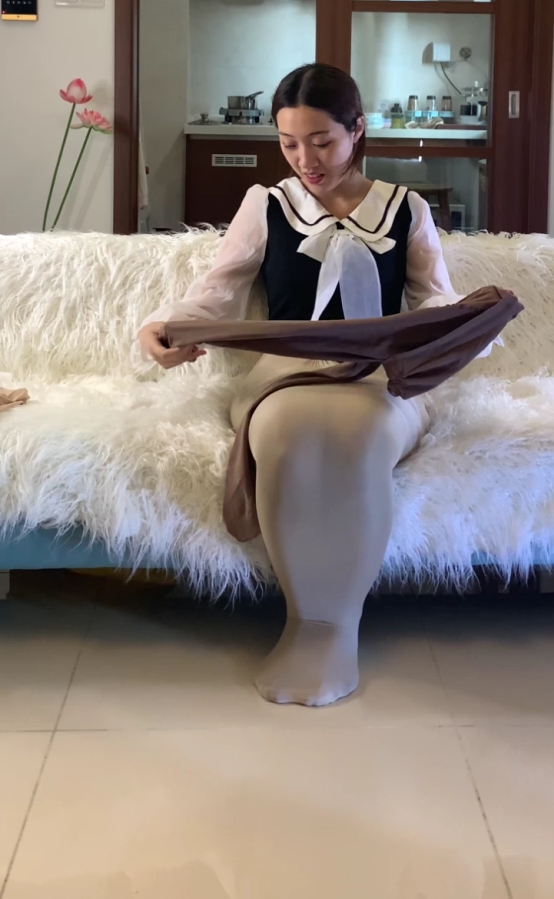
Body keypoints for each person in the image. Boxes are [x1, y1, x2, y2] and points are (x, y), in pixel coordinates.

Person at [137, 64, 460, 707]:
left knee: (359, 433)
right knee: (287, 430)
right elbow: (219, 291)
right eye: (289, 143)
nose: (306, 160)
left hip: (377, 376)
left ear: (356, 131)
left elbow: (435, 300)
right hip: (284, 372)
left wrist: (460, 324)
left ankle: (335, 628)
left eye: (322, 141)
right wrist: (163, 327)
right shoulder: (267, 205)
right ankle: (305, 621)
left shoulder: (406, 209)